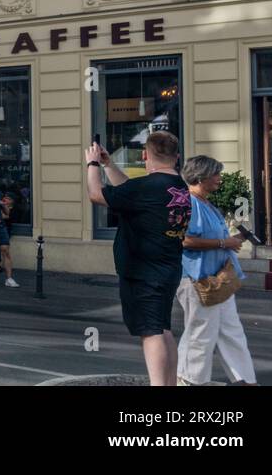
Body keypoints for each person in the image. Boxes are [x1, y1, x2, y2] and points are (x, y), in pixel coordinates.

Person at [84, 131, 191, 386]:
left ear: (145, 155)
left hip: (143, 271)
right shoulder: (178, 186)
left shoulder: (147, 187)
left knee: (151, 332)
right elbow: (126, 190)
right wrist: (109, 164)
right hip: (168, 268)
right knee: (162, 329)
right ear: (176, 156)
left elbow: (97, 195)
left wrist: (92, 164)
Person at [176, 155, 257, 385]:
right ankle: (189, 380)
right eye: (216, 174)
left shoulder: (205, 203)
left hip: (218, 279)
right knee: (201, 334)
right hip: (198, 279)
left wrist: (233, 239)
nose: (220, 179)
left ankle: (246, 380)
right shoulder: (189, 203)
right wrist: (224, 243)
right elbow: (184, 240)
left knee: (231, 331)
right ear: (201, 177)